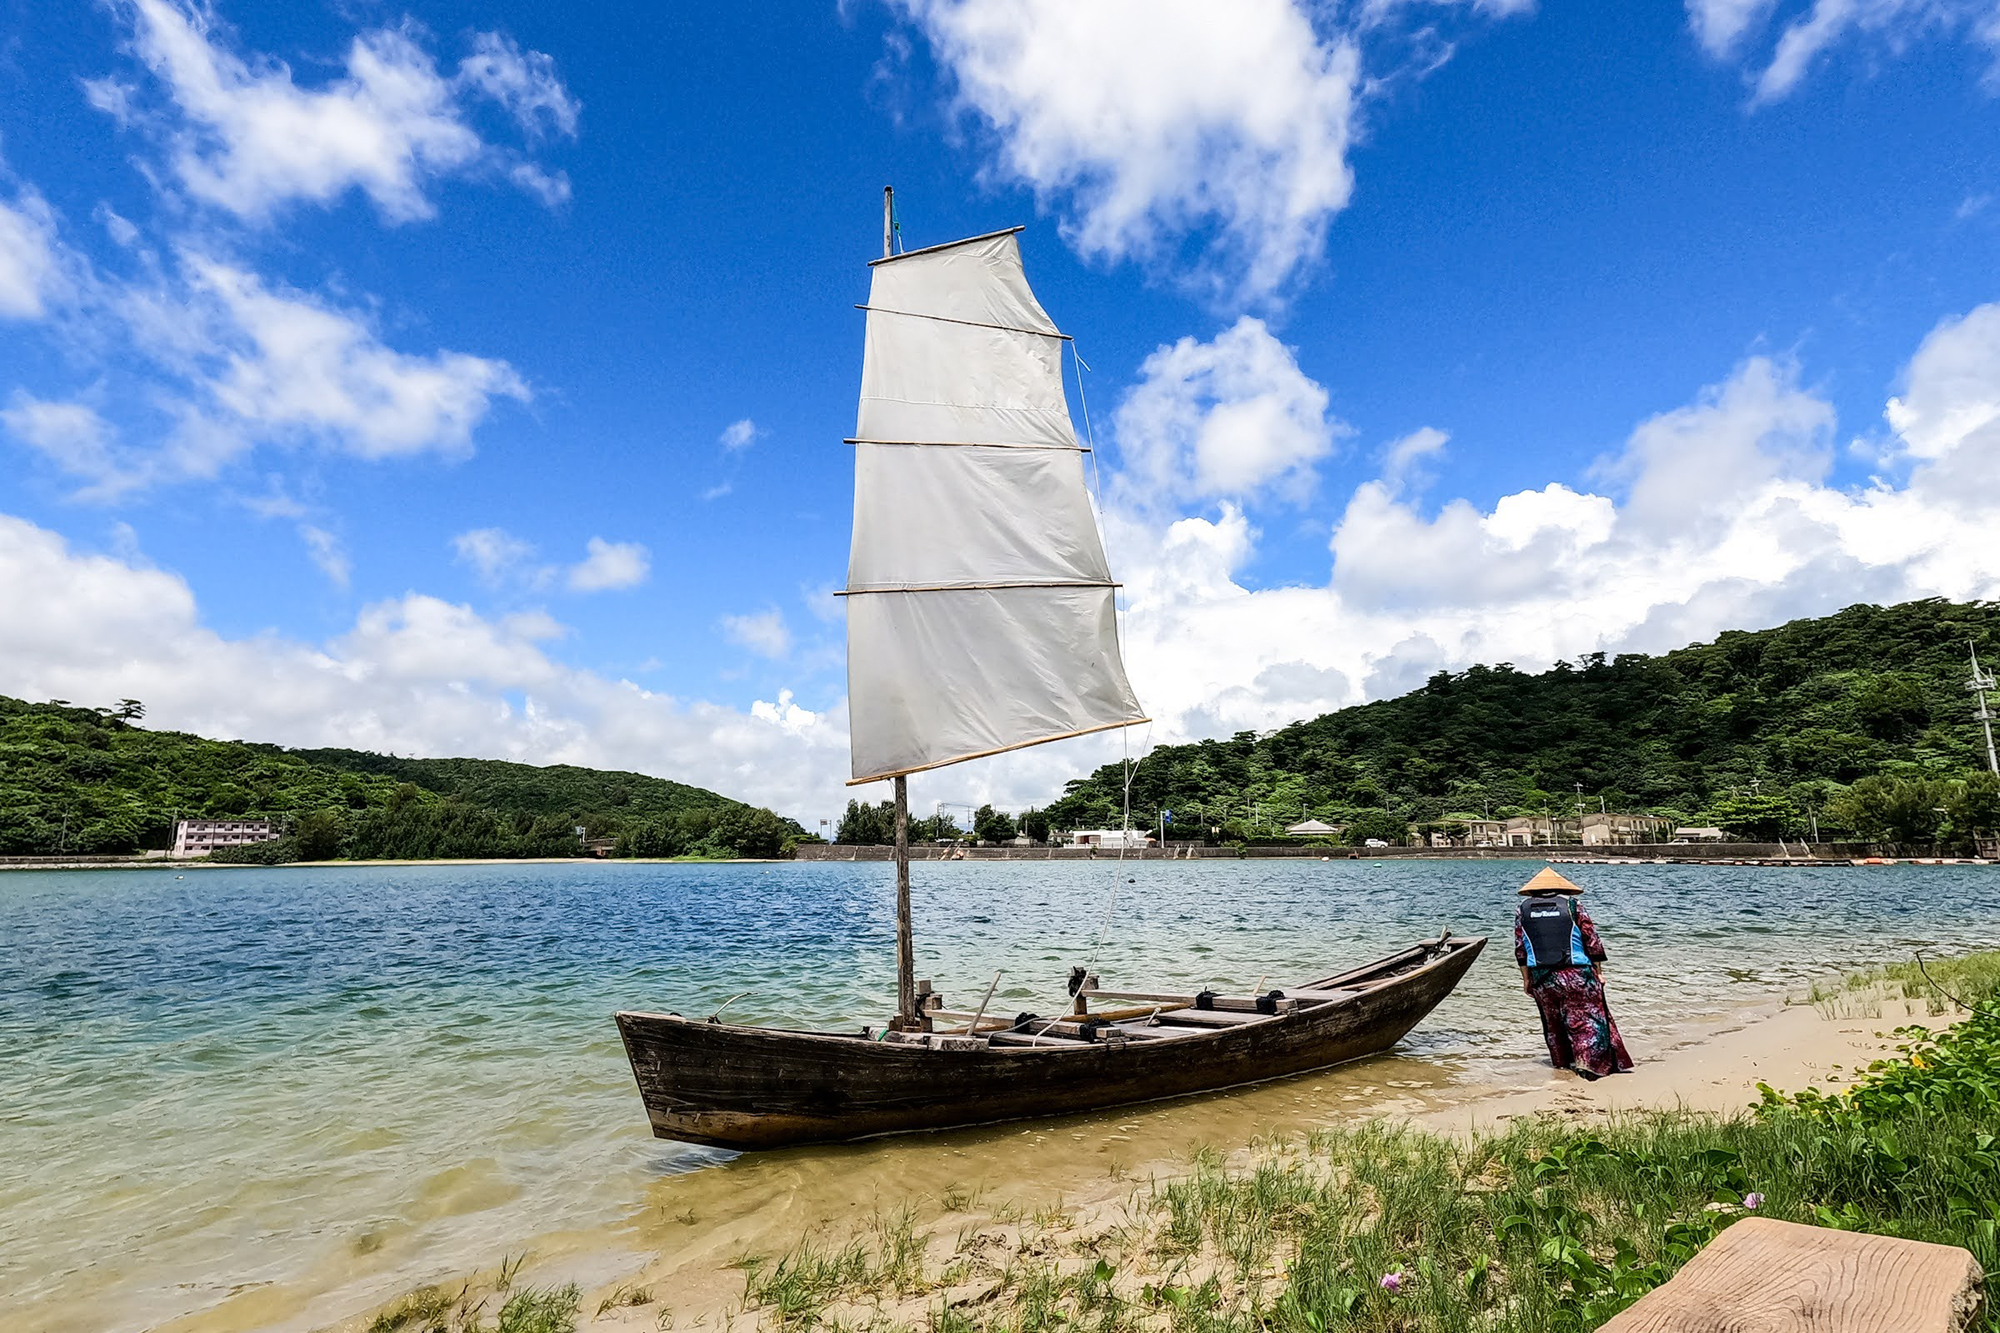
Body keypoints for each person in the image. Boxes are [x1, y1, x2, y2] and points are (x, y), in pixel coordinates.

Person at [1514, 866, 1632, 1079]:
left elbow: (1520, 949)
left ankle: (1562, 1065)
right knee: (1586, 1019)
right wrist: (1599, 972)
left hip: (1542, 977)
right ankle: (1589, 1065)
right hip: (1577, 973)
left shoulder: (1522, 910)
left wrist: (1526, 980)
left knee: (1553, 1024)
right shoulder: (1572, 905)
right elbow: (1592, 940)